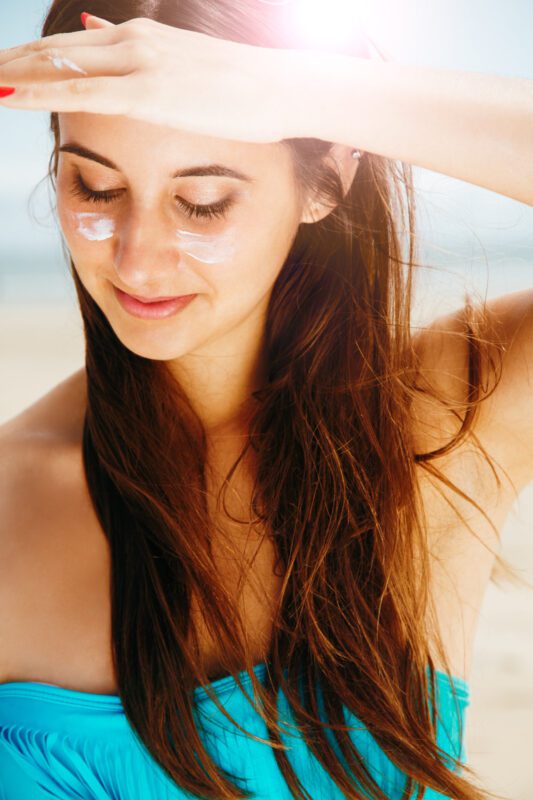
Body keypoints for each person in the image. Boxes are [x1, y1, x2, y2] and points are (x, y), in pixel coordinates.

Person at [0, 3, 531, 799]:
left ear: (328, 177)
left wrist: (311, 91)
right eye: (95, 185)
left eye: (202, 200)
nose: (137, 260)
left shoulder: (441, 426)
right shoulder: (10, 496)